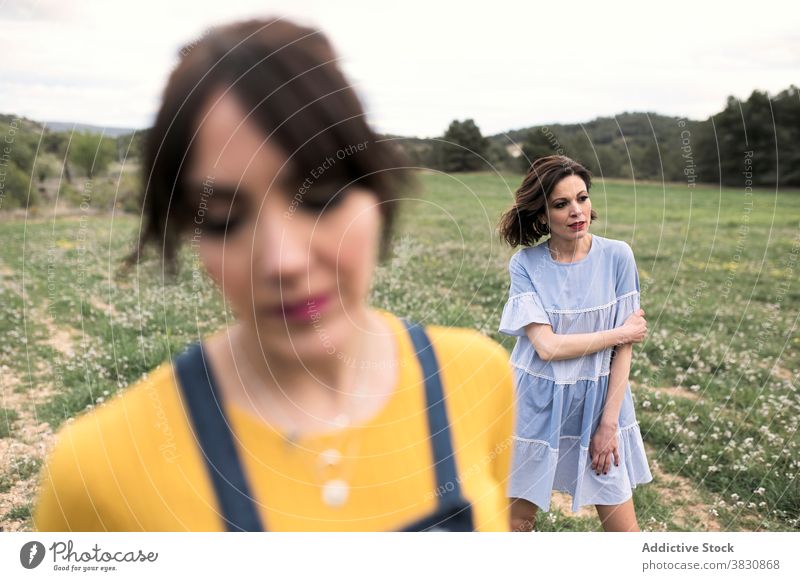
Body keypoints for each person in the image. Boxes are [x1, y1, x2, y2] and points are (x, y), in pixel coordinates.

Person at [34, 18, 514, 532]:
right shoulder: (97, 473)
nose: (282, 261)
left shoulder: (479, 379)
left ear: (376, 190)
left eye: (321, 196)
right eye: (223, 219)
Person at [497, 155, 652, 532]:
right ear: (541, 214)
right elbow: (547, 348)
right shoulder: (526, 264)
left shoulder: (617, 256)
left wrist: (608, 425)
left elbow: (623, 354)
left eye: (582, 198)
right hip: (535, 402)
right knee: (516, 526)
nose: (576, 211)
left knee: (624, 531)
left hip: (601, 402)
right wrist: (619, 334)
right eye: (561, 204)